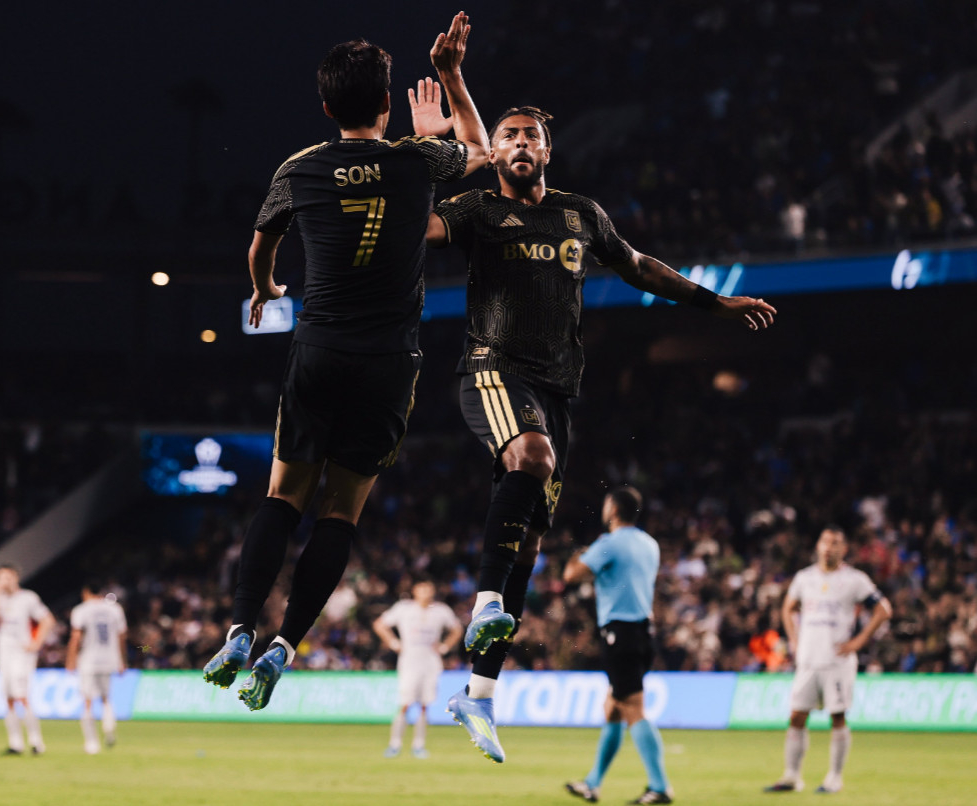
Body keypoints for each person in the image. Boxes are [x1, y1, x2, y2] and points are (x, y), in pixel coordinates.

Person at [413, 102, 777, 762]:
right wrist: (426, 156)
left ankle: (479, 695)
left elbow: (639, 265)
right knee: (532, 455)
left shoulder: (580, 214)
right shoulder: (477, 209)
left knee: (528, 546)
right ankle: (486, 602)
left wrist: (716, 304)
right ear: (494, 153)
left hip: (556, 391)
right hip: (493, 369)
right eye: (507, 136)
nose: (520, 144)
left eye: (531, 136)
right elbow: (418, 229)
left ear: (547, 151)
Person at [201, 11, 488, 711]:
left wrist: (266, 288)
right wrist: (450, 78)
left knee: (283, 497)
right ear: (387, 102)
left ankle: (240, 629)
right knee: (341, 511)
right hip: (388, 360)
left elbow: (261, 246)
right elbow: (479, 150)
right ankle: (283, 645)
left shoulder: (300, 168)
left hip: (319, 351)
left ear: (326, 107)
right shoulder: (416, 161)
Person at [561, 486, 672, 805]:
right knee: (612, 708)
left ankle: (660, 786)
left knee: (633, 709)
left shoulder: (608, 544)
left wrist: (580, 552)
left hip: (620, 634)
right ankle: (592, 783)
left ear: (612, 510)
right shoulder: (649, 543)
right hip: (642, 632)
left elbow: (571, 575)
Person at [765, 526, 891, 794]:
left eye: (835, 543)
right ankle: (792, 776)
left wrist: (858, 641)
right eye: (825, 542)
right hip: (808, 659)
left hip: (837, 661)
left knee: (837, 717)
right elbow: (787, 608)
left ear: (843, 549)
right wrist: (794, 640)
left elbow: (883, 609)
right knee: (797, 716)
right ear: (818, 546)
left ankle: (834, 777)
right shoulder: (804, 578)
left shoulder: (855, 579)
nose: (829, 548)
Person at [372, 577, 463, 759]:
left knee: (424, 705)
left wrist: (444, 647)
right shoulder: (404, 608)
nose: (425, 593)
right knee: (405, 703)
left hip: (431, 661)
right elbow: (379, 624)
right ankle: (395, 744)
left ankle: (418, 745)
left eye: (428, 589)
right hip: (409, 660)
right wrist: (394, 643)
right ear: (414, 591)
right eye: (422, 589)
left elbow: (457, 629)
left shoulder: (441, 610)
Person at [0, 564, 55, 755]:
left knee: (21, 695)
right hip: (4, 652)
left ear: (15, 578)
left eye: (7, 577)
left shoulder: (28, 598)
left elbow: (47, 619)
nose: (3, 581)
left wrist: (37, 643)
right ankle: (15, 743)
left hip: (22, 653)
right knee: (7, 696)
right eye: (0, 577)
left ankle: (36, 741)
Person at [66, 580, 128, 755]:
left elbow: (76, 637)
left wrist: (70, 660)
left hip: (89, 660)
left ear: (86, 592)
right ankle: (109, 728)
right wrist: (123, 661)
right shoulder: (115, 609)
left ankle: (91, 742)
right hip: (110, 659)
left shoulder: (81, 610)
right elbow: (122, 636)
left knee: (87, 701)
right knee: (106, 698)